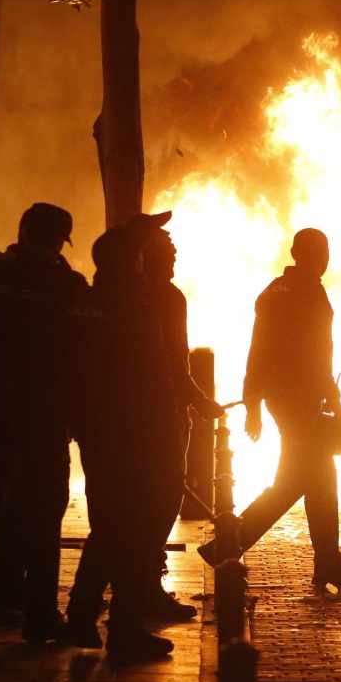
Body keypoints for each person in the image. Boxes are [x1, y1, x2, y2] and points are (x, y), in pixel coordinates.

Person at [66, 213, 219, 662]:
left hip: (110, 431)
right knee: (138, 526)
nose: (170, 246)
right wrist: (190, 405)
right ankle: (124, 629)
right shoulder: (138, 304)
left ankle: (85, 612)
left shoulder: (99, 299)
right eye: (160, 240)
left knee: (115, 525)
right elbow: (164, 369)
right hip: (139, 432)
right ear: (136, 255)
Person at [0, 202, 89, 644]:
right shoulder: (67, 286)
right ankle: (39, 615)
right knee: (44, 516)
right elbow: (81, 361)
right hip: (44, 423)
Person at [197, 228, 341, 590]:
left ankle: (326, 562)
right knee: (299, 480)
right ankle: (231, 542)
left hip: (293, 397)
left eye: (325, 251)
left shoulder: (290, 291)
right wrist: (255, 402)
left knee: (317, 478)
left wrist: (257, 400)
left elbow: (267, 350)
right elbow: (268, 350)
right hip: (295, 399)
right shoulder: (289, 293)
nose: (322, 259)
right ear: (296, 253)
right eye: (316, 251)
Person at [138, 222, 224, 616]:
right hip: (162, 415)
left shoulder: (118, 293)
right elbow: (176, 362)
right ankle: (145, 591)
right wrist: (200, 402)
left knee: (128, 507)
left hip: (126, 416)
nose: (174, 258)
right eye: (167, 252)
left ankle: (98, 602)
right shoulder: (168, 298)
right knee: (162, 497)